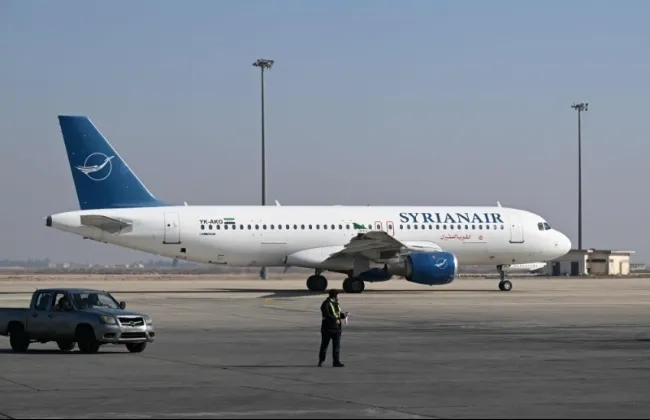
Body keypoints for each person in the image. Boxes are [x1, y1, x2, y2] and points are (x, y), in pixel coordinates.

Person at [318, 289, 348, 367]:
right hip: (327, 328)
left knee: (336, 347)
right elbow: (326, 314)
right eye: (338, 295)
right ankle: (321, 360)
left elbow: (337, 314)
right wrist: (335, 319)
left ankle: (336, 362)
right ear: (335, 296)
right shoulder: (325, 304)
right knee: (324, 345)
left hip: (337, 329)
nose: (339, 297)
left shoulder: (336, 304)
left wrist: (343, 315)